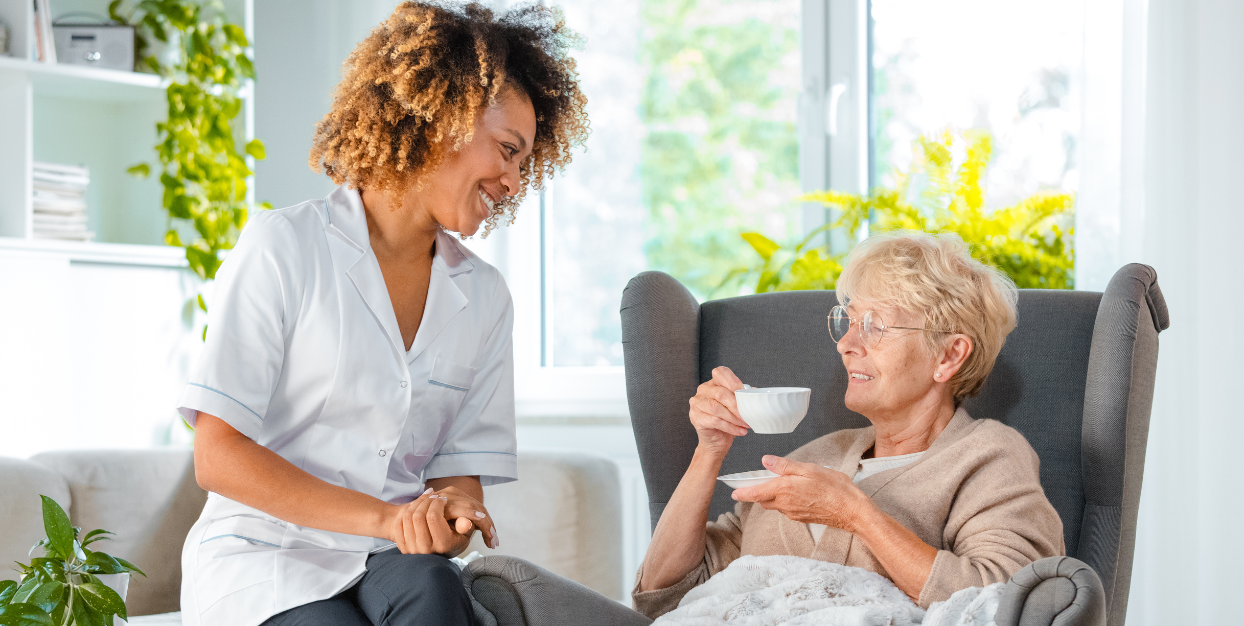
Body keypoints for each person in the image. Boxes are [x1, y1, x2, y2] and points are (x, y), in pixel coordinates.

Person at [176, 3, 588, 625]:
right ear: (440, 116)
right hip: (264, 554)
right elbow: (219, 455)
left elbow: (458, 480)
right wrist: (389, 518)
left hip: (390, 558)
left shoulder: (484, 296)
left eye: (525, 162)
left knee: (438, 592)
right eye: (506, 150)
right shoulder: (284, 246)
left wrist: (449, 519)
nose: (513, 180)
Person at [633, 232, 1065, 618]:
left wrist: (855, 514)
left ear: (949, 356)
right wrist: (708, 451)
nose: (845, 344)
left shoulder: (987, 456)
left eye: (874, 325)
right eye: (848, 320)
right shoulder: (816, 457)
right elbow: (663, 595)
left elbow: (1008, 603)